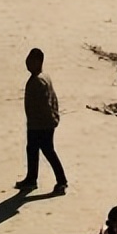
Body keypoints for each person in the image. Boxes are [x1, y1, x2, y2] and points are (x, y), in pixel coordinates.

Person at [15, 48, 67, 194]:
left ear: (38, 62)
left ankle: (62, 181)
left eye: (30, 60)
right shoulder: (43, 77)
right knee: (32, 150)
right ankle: (31, 179)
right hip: (37, 123)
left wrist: (49, 121)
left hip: (41, 125)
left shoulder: (38, 81)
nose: (27, 63)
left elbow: (46, 104)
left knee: (47, 151)